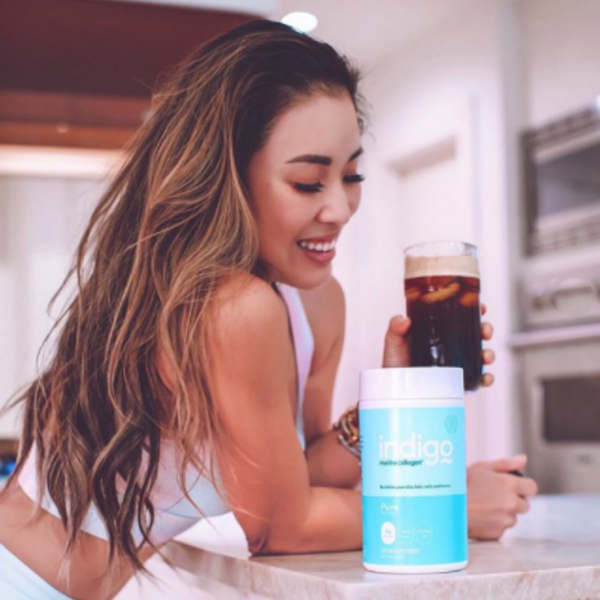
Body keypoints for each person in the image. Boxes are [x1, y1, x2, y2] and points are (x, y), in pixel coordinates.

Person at [0, 19, 538, 600]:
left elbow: (299, 473)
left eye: (352, 174)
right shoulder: (232, 306)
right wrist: (451, 508)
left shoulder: (318, 302)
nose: (340, 208)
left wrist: (393, 394)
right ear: (227, 177)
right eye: (308, 182)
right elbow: (280, 527)